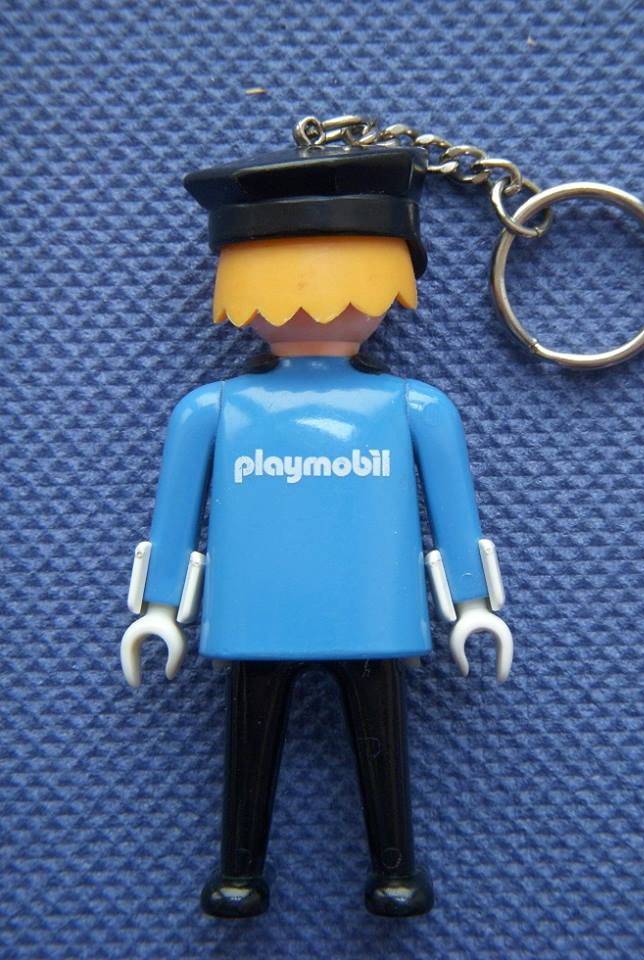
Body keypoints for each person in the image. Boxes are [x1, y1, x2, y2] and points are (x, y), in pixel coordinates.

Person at [120, 144, 512, 918]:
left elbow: (454, 514)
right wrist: (160, 609)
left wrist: (471, 605)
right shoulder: (212, 411)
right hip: (257, 614)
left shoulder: (415, 408)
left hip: (369, 612)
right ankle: (240, 871)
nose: (312, 304)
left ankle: (393, 871)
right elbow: (175, 519)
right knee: (250, 747)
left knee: (380, 745)